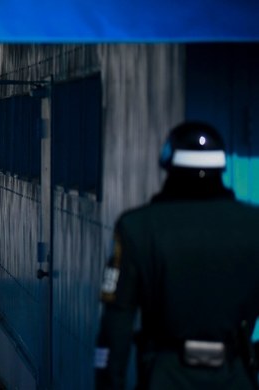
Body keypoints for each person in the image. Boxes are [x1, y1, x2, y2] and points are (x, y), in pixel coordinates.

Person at [94, 121, 259, 389]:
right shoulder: (253, 226)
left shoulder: (137, 227)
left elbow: (117, 321)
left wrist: (109, 381)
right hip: (234, 376)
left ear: (169, 165)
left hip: (165, 376)